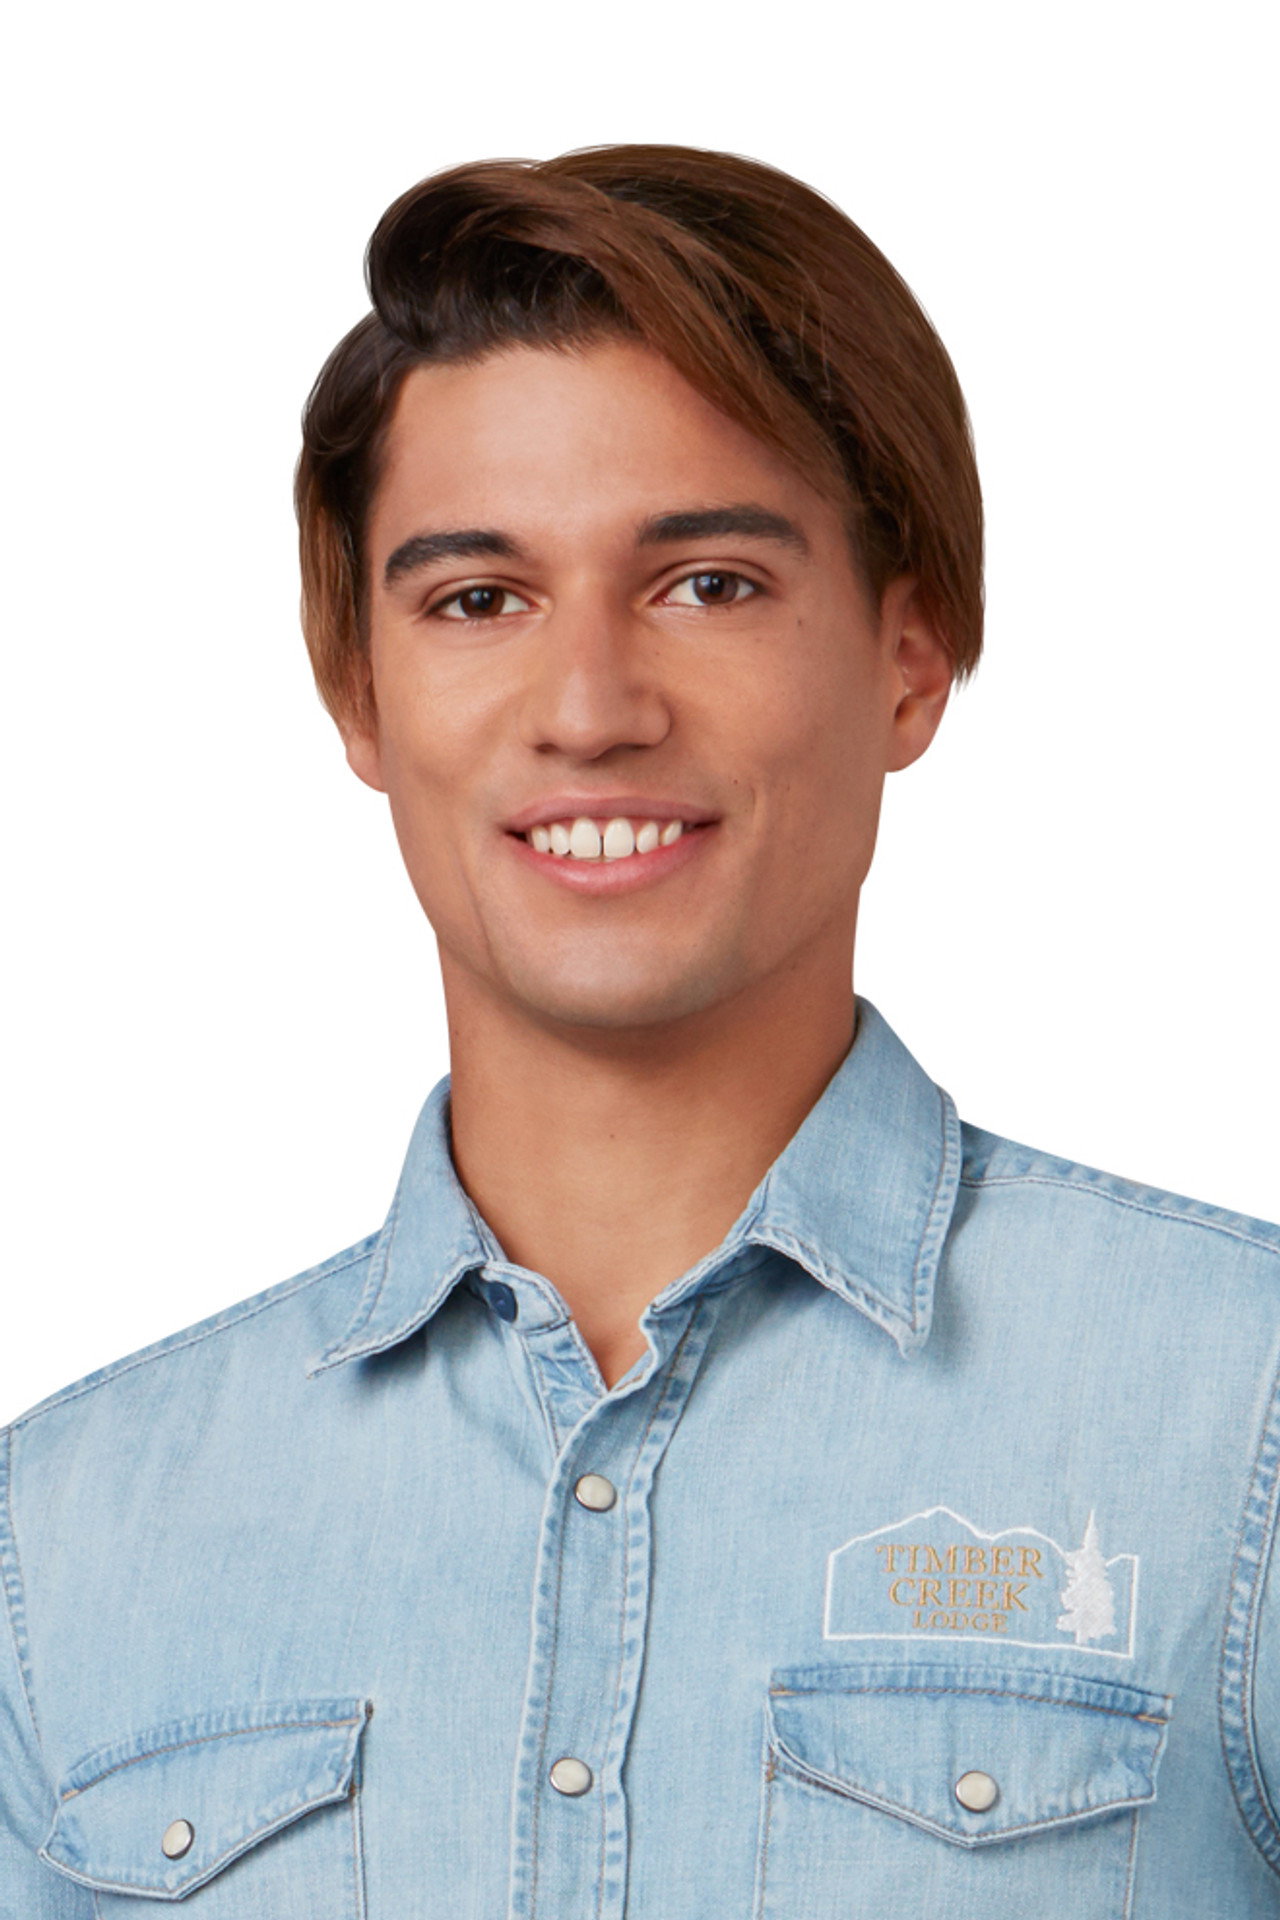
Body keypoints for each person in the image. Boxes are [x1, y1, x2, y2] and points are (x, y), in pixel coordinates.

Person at [1, 143, 1277, 1919]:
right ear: (359, 688)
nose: (591, 709)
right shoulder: (61, 1544)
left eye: (708, 583)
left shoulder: (1243, 1420)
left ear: (911, 653)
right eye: (479, 600)